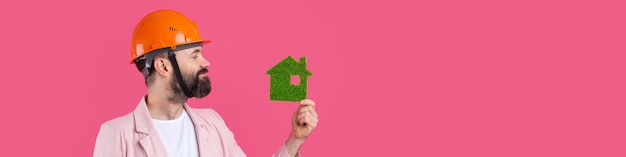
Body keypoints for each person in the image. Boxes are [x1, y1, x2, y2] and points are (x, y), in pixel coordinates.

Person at [93, 9, 318, 157]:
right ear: (163, 66)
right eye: (194, 55)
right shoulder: (117, 134)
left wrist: (294, 140)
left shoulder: (213, 123)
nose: (206, 61)